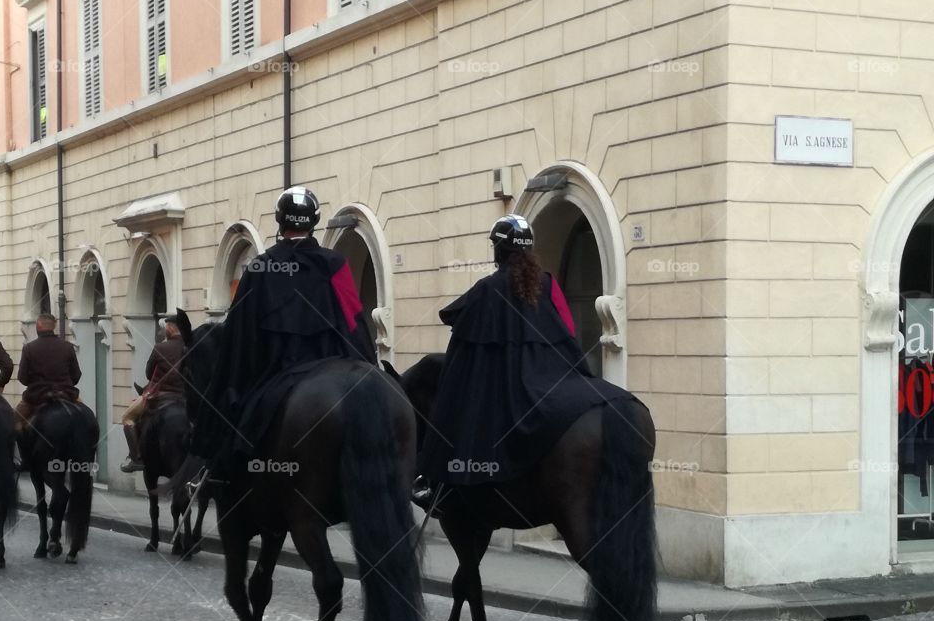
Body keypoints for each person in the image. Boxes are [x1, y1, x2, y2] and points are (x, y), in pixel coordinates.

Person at [413, 214, 636, 510]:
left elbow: (460, 342)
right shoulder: (548, 285)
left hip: (506, 382)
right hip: (551, 374)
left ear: (499, 250)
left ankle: (434, 483)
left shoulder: (486, 289)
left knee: (452, 398)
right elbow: (568, 331)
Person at [194, 186, 377, 479]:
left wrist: (233, 387)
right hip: (333, 364)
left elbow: (241, 339)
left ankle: (219, 475)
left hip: (276, 372)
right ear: (314, 220)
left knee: (237, 424)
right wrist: (369, 367)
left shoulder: (260, 267)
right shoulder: (336, 264)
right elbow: (354, 322)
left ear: (280, 221)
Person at [120, 317, 187, 473]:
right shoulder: (191, 346)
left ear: (170, 329)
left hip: (162, 395)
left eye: (166, 328)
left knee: (127, 417)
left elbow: (149, 374)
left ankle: (136, 458)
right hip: (187, 397)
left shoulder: (160, 348)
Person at [14, 313, 82, 431]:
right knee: (86, 416)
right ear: (54, 326)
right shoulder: (67, 347)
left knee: (14, 422)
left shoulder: (29, 348)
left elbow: (22, 378)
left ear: (39, 325)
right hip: (66, 394)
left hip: (36, 396)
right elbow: (76, 375)